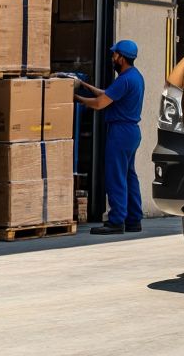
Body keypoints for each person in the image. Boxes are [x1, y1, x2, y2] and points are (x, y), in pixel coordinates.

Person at [71, 40, 145, 234]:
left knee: (116, 176)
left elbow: (99, 103)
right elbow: (107, 94)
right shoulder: (135, 76)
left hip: (120, 132)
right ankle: (134, 220)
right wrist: (83, 85)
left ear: (121, 57)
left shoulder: (124, 79)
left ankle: (116, 220)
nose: (112, 58)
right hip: (132, 132)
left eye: (114, 55)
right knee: (129, 176)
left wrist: (76, 98)